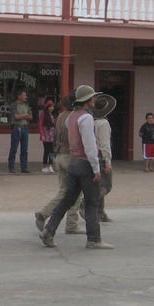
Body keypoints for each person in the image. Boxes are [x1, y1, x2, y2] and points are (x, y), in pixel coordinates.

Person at [39, 84, 113, 250]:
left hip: (73, 162)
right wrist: (96, 168)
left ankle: (49, 231)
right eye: (92, 98)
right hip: (85, 163)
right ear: (87, 101)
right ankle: (94, 239)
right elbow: (90, 145)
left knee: (67, 200)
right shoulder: (86, 118)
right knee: (92, 202)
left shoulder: (71, 116)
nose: (95, 100)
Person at [34, 95, 83, 236]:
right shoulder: (74, 117)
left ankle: (59, 219)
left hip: (59, 155)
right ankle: (66, 222)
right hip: (69, 156)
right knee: (74, 193)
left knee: (64, 190)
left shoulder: (60, 116)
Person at [93, 94, 116, 221]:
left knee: (99, 184)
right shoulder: (103, 123)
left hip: (94, 154)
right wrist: (107, 161)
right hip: (101, 156)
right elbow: (105, 144)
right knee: (106, 185)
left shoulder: (93, 121)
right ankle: (87, 204)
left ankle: (100, 212)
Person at [7, 89, 33, 174]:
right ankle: (11, 167)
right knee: (14, 148)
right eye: (24, 95)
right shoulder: (14, 105)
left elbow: (31, 117)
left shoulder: (26, 105)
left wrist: (23, 116)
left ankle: (24, 167)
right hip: (16, 127)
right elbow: (16, 117)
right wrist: (25, 115)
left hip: (25, 127)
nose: (26, 97)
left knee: (24, 149)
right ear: (19, 96)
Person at [38, 100, 57, 173]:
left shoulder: (52, 115)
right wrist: (42, 134)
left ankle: (51, 165)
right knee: (46, 151)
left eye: (53, 107)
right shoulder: (43, 114)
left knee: (52, 151)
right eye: (50, 106)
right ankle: (44, 166)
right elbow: (40, 124)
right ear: (47, 107)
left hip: (51, 135)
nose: (52, 108)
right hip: (46, 135)